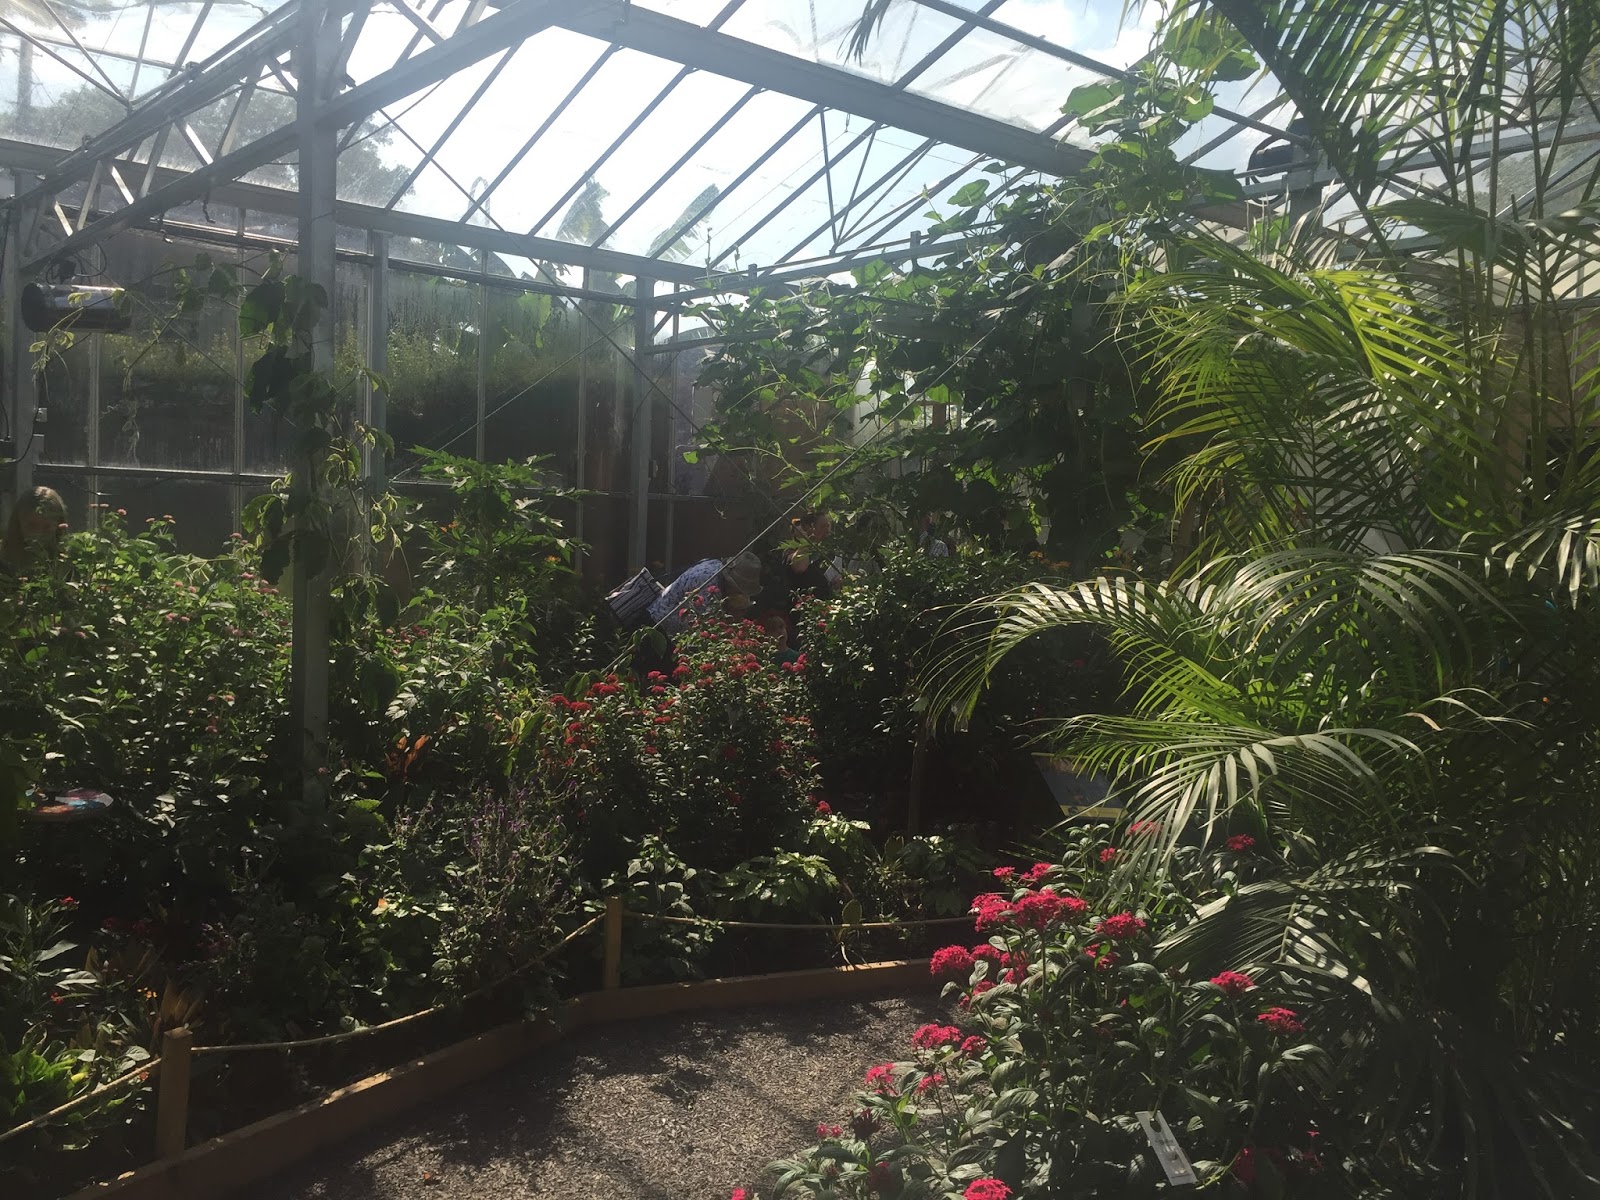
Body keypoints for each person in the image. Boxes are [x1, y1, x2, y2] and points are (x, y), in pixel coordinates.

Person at [646, 550, 763, 637]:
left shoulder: (716, 566)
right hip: (657, 629)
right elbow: (706, 628)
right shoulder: (709, 583)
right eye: (739, 589)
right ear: (731, 581)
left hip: (670, 629)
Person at [1, 486, 68, 574]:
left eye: (47, 526)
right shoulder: (3, 560)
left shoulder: (69, 564)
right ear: (18, 523)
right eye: (32, 526)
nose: (39, 533)